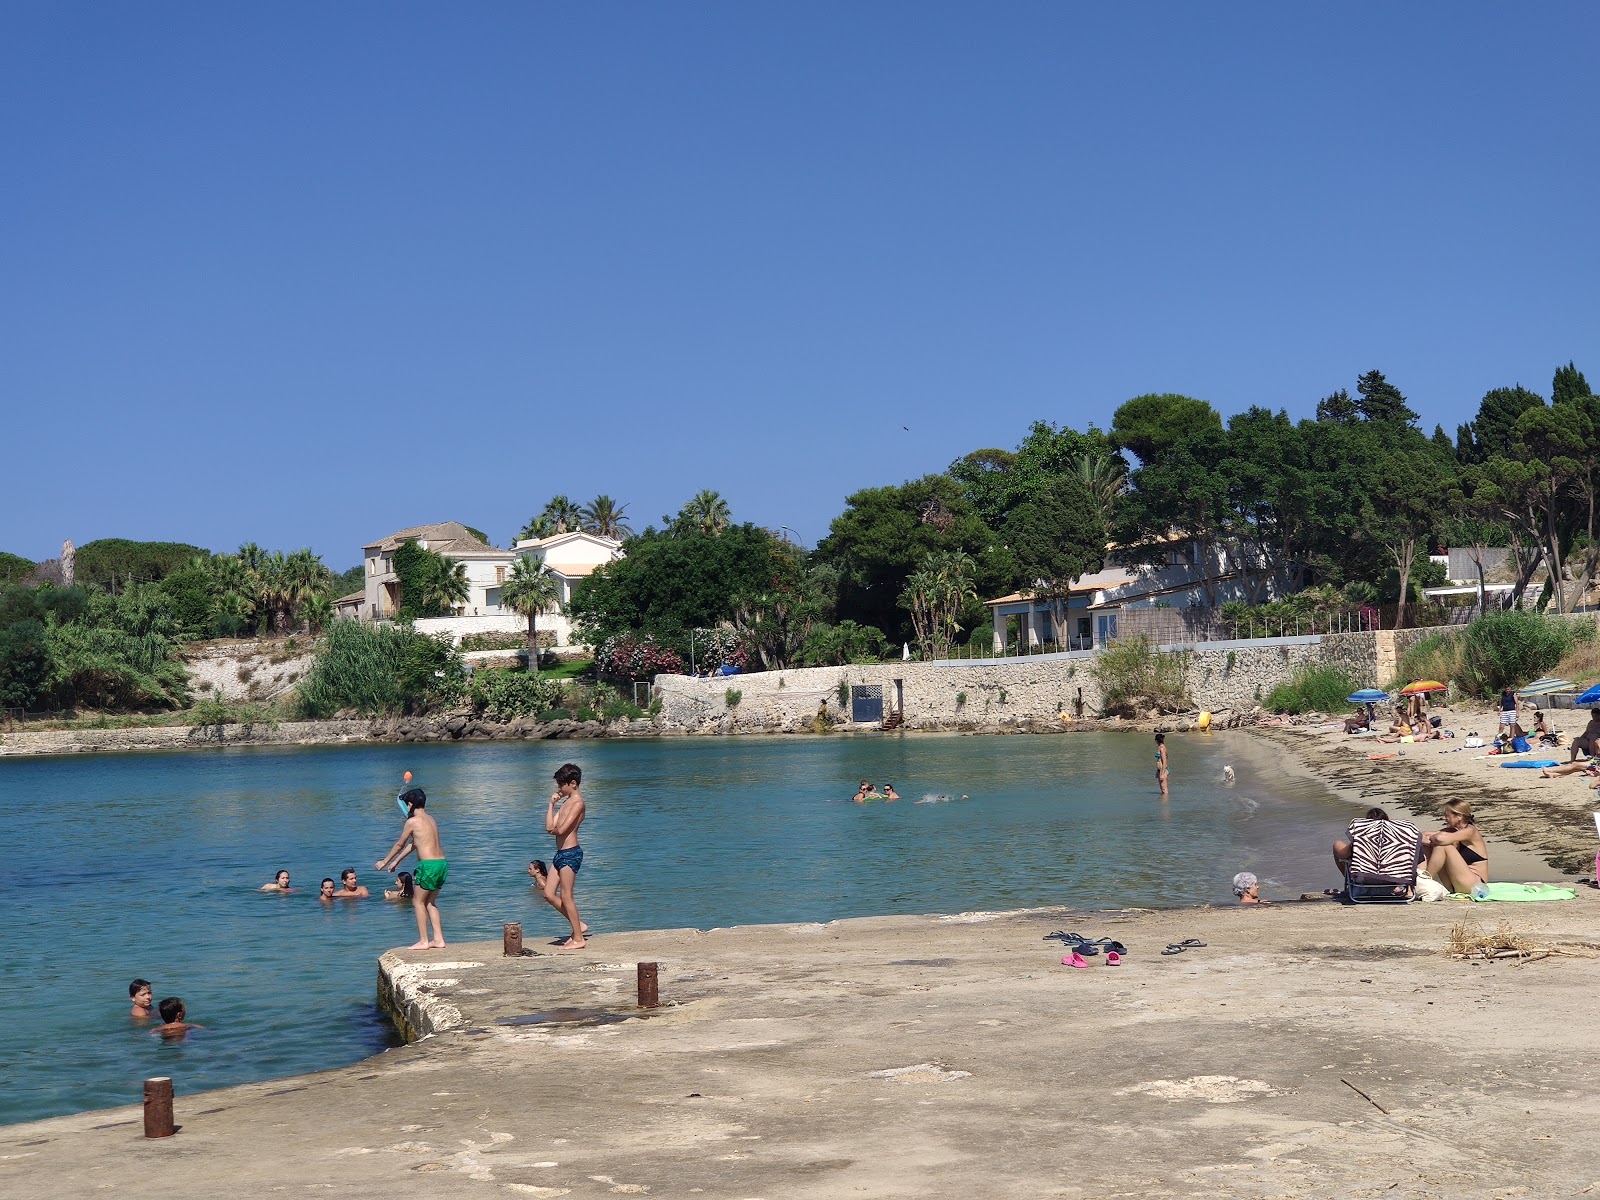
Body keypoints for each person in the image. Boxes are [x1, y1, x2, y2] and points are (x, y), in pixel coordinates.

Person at [375, 787, 448, 950]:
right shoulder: (431, 819)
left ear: (409, 804)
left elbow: (400, 844)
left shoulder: (412, 822)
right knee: (430, 902)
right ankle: (438, 939)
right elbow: (415, 844)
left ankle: (423, 941)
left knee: (417, 901)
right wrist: (396, 862)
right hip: (441, 864)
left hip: (428, 866)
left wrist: (385, 861)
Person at [528, 763, 588, 949]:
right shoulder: (565, 803)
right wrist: (551, 804)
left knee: (567, 895)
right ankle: (580, 925)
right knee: (548, 894)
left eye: (561, 785)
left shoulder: (578, 803)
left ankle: (579, 938)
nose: (559, 789)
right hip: (560, 854)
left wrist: (555, 829)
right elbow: (549, 827)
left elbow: (561, 829)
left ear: (573, 784)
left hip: (571, 854)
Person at [1422, 799, 1489, 895]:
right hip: (1456, 883)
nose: (1444, 818)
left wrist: (1433, 840)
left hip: (1475, 885)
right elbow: (1423, 835)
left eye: (1447, 816)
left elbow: (1440, 839)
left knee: (1443, 846)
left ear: (1459, 816)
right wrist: (1431, 842)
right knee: (1433, 845)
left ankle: (1425, 880)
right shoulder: (1454, 831)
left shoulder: (1470, 831)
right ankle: (1420, 877)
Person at [1154, 733, 1169, 797]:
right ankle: (1162, 804)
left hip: (1163, 770)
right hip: (1160, 770)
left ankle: (1165, 805)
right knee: (1162, 790)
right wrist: (1157, 771)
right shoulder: (1160, 747)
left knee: (1164, 790)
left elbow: (1164, 761)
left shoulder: (1162, 748)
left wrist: (1162, 773)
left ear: (1156, 741)